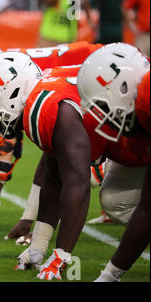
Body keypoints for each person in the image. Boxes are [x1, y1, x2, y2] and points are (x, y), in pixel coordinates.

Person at [0, 49, 134, 280]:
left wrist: (61, 256)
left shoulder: (44, 106)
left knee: (118, 200)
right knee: (114, 198)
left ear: (12, 90)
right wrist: (39, 245)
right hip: (127, 139)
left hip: (138, 137)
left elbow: (77, 185)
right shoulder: (42, 96)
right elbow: (52, 177)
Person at [76, 44, 150, 281]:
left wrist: (109, 276)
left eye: (104, 105)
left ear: (126, 87)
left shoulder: (146, 98)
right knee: (115, 199)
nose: (104, 114)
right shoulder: (140, 101)